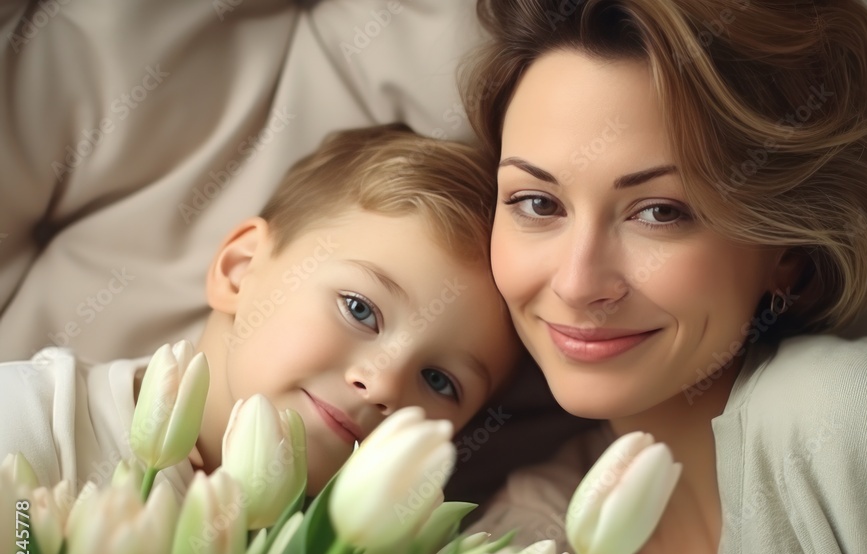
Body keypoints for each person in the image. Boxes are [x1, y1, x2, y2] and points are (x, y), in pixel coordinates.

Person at [461, 0, 867, 554]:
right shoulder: (517, 548)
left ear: (790, 250)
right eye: (538, 204)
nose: (577, 283)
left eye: (660, 212)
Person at [0, 124, 521, 498]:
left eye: (439, 380)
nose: (384, 385)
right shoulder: (32, 423)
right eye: (360, 310)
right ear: (240, 269)